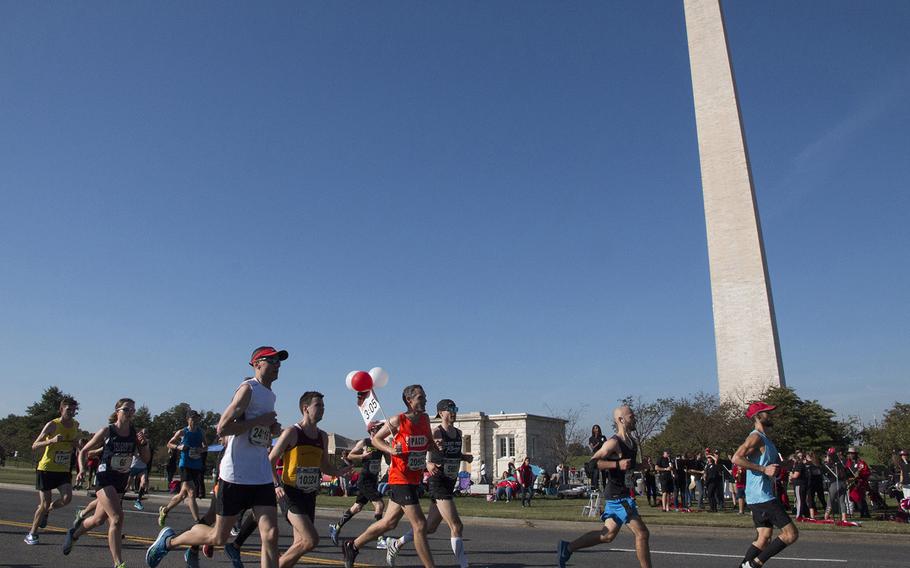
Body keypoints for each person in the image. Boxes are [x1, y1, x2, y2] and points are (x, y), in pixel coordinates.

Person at [146, 345, 287, 568]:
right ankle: (170, 541)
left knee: (270, 534)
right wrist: (260, 422)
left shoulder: (270, 394)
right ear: (257, 363)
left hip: (259, 475)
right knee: (218, 537)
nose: (278, 365)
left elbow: (254, 431)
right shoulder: (247, 389)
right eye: (272, 360)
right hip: (236, 475)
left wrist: (271, 428)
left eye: (280, 361)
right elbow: (222, 428)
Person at [342, 384, 439, 568]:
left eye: (424, 396)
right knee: (419, 525)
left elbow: (428, 442)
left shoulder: (425, 419)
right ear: (409, 401)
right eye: (420, 397)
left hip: (414, 478)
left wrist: (435, 448)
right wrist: (392, 449)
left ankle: (352, 545)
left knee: (389, 523)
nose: (425, 399)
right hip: (399, 478)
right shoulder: (398, 420)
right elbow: (375, 439)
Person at [557, 406, 651, 568]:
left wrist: (641, 466)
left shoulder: (632, 443)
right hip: (618, 496)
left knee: (607, 535)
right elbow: (591, 465)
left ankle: (568, 547)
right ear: (621, 419)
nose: (635, 418)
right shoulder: (613, 443)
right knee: (642, 534)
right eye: (631, 416)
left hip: (620, 494)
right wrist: (616, 464)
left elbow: (628, 466)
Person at [64, 398, 151, 568]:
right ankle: (118, 563)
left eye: (132, 410)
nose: (130, 413)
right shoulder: (107, 431)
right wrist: (81, 470)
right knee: (117, 518)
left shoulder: (135, 434)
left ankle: (74, 534)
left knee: (98, 520)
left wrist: (145, 444)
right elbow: (84, 451)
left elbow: (145, 459)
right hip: (104, 478)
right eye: (126, 409)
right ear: (117, 411)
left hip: (121, 480)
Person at [386, 398, 473, 568]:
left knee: (430, 527)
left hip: (450, 482)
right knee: (456, 525)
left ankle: (396, 544)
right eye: (451, 409)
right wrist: (428, 463)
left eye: (456, 408)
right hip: (438, 481)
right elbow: (421, 449)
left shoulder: (459, 433)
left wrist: (464, 457)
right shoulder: (436, 432)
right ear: (441, 413)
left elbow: (450, 454)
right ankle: (464, 565)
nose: (454, 412)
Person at [270, 391, 350, 568]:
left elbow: (325, 467)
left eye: (323, 406)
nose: (322, 409)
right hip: (290, 492)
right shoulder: (292, 432)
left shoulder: (322, 437)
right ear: (305, 408)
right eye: (318, 406)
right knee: (311, 540)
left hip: (309, 494)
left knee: (300, 543)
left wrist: (339, 471)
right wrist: (276, 485)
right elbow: (270, 460)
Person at [733, 401, 798, 568]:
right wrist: (763, 469)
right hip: (762, 495)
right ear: (757, 416)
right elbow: (736, 458)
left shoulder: (766, 440)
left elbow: (771, 466)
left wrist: (785, 465)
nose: (771, 415)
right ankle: (754, 565)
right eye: (767, 412)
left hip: (760, 495)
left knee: (764, 538)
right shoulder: (755, 437)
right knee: (790, 534)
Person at [25, 397, 80, 545]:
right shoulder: (52, 425)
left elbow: (75, 445)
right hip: (47, 469)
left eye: (74, 410)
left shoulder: (75, 425)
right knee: (43, 504)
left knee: (67, 498)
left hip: (63, 470)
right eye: (69, 409)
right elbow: (35, 445)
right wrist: (51, 441)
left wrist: (77, 445)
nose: (72, 412)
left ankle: (48, 510)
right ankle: (32, 533)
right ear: (61, 409)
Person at [329, 420, 389, 546]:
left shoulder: (382, 443)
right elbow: (350, 456)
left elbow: (389, 461)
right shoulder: (365, 442)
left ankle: (336, 527)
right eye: (379, 428)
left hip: (373, 480)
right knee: (379, 505)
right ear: (372, 430)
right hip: (364, 479)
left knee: (357, 507)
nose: (381, 430)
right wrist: (363, 456)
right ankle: (380, 539)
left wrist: (388, 449)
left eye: (382, 428)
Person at [159, 410, 207, 525]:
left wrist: (201, 449)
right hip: (184, 464)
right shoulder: (182, 432)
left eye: (197, 418)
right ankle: (197, 521)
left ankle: (165, 510)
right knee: (191, 492)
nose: (195, 420)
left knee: (182, 495)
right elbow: (169, 443)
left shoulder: (201, 432)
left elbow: (206, 446)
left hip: (196, 464)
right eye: (193, 418)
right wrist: (179, 447)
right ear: (188, 419)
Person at [822, 448, 848, 523]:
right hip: (843, 483)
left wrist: (826, 461)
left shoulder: (832, 463)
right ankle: (844, 518)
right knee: (842, 501)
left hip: (835, 483)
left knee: (830, 500)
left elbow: (825, 468)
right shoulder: (841, 462)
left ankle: (826, 516)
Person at [845, 448, 871, 518]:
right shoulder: (848, 462)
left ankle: (865, 513)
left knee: (859, 498)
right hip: (851, 483)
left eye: (852, 453)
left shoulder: (861, 462)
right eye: (849, 453)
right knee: (855, 498)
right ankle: (863, 513)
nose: (850, 455)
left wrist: (860, 474)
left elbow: (866, 472)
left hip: (860, 483)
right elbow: (846, 471)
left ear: (855, 454)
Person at [127, 435, 151, 511]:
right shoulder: (135, 444)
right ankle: (119, 499)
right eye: (141, 436)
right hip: (133, 467)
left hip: (143, 467)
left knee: (143, 483)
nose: (143, 438)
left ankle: (138, 501)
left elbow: (147, 455)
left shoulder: (147, 444)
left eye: (145, 435)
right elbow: (133, 454)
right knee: (127, 486)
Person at [805, 451, 826, 520]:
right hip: (818, 483)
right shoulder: (818, 464)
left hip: (811, 483)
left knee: (810, 499)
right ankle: (827, 513)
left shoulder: (808, 464)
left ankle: (812, 515)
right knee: (822, 498)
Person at [587, 424, 607, 490]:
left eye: (597, 428)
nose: (596, 429)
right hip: (595, 456)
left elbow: (606, 445)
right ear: (593, 430)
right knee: (595, 473)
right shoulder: (591, 438)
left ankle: (605, 487)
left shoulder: (603, 437)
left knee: (603, 473)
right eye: (595, 428)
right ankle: (595, 487)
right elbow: (591, 448)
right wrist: (597, 444)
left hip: (602, 456)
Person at [788, 452, 808, 519]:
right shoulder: (798, 465)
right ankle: (806, 513)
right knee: (801, 500)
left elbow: (796, 475)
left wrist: (791, 475)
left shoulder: (799, 465)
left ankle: (799, 515)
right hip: (800, 484)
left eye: (792, 460)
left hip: (799, 484)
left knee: (799, 500)